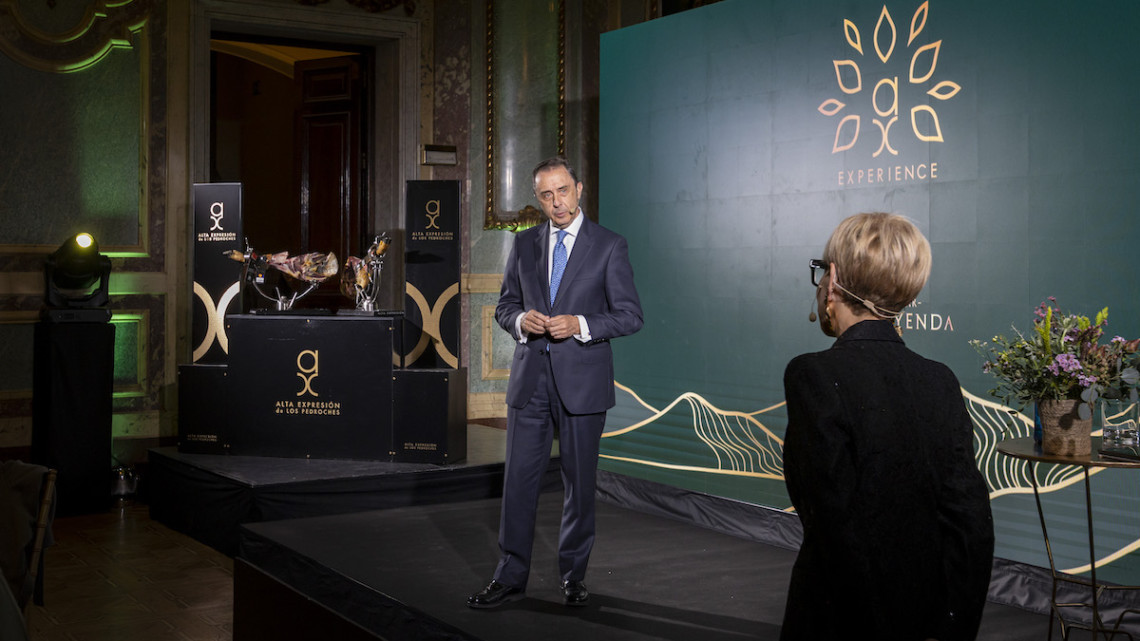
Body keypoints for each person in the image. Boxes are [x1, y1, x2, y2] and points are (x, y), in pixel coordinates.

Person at [780, 213, 994, 640]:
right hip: (922, 616)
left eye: (821, 271)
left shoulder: (814, 375)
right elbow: (970, 520)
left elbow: (831, 523)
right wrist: (952, 625)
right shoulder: (939, 379)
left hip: (840, 618)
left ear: (834, 279)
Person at [467, 157, 644, 609]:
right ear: (538, 198)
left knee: (579, 487)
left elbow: (630, 316)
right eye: (546, 195)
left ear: (579, 189)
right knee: (519, 484)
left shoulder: (609, 245)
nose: (556, 202)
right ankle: (509, 576)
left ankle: (573, 576)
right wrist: (522, 320)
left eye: (562, 191)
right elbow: (506, 305)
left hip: (583, 385)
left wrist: (580, 324)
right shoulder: (524, 244)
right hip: (531, 383)